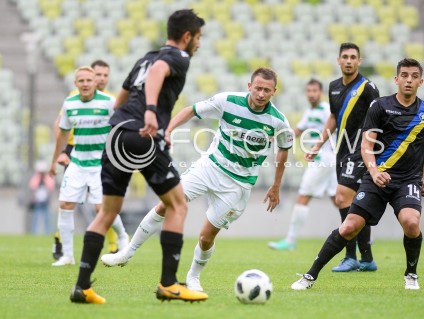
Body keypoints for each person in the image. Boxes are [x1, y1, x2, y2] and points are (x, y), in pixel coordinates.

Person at [100, 67, 294, 293]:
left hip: (239, 184)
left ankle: (193, 277)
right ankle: (127, 253)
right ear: (249, 86)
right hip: (210, 167)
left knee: (206, 237)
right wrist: (169, 130)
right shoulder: (228, 101)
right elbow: (190, 110)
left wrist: (276, 185)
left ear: (274, 92)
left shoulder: (278, 121)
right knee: (167, 203)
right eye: (258, 88)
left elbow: (283, 149)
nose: (261, 94)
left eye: (267, 90)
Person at [69, 9, 206, 304]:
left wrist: (122, 123)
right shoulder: (177, 58)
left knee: (106, 213)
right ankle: (169, 284)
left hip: (116, 133)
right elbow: (158, 73)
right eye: (199, 38)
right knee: (178, 205)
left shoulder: (145, 57)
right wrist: (150, 111)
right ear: (187, 36)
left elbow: (120, 97)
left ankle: (82, 287)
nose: (199, 44)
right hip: (141, 135)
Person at [291, 58, 424, 290]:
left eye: (413, 76)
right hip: (376, 177)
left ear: (421, 81)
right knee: (349, 227)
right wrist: (374, 171)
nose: (408, 80)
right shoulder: (380, 106)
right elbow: (366, 146)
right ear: (396, 79)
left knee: (411, 223)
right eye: (404, 75)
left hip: (407, 180)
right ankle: (309, 276)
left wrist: (423, 177)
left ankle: (411, 274)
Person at [304, 43, 380, 272]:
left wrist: (373, 151)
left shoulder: (368, 87)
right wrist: (318, 145)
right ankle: (366, 258)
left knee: (342, 198)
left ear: (359, 61)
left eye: (353, 57)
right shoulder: (334, 87)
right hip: (342, 151)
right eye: (345, 57)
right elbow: (333, 119)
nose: (348, 60)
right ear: (338, 60)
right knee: (358, 202)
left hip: (361, 151)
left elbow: (378, 118)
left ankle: (350, 256)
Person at [48, 66, 128, 267]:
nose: (85, 84)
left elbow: (122, 125)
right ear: (75, 84)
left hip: (100, 164)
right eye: (81, 81)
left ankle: (122, 236)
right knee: (65, 205)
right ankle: (67, 255)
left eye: (88, 80)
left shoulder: (108, 102)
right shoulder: (69, 104)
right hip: (77, 162)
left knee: (103, 208)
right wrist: (55, 159)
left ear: (95, 83)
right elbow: (63, 134)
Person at [268, 79, 338, 251]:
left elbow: (334, 126)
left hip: (322, 157)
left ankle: (291, 240)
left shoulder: (326, 110)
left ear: (320, 93)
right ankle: (361, 238)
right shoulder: (310, 111)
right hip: (328, 159)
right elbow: (297, 131)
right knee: (339, 199)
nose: (311, 94)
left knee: (303, 196)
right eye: (308, 91)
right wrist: (278, 136)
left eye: (314, 90)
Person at [29, 161, 55, 234]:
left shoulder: (47, 177)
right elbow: (32, 186)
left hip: (46, 201)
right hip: (37, 201)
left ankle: (48, 233)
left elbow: (51, 187)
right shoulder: (36, 177)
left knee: (47, 218)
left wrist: (44, 180)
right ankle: (34, 233)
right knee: (36, 218)